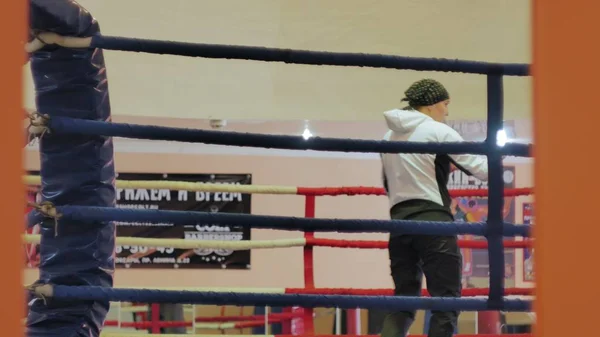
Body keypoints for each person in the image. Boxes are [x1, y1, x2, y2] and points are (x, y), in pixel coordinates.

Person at [379, 79, 489, 337]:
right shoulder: (438, 131)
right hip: (434, 224)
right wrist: (500, 155)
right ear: (430, 105)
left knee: (403, 301)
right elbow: (483, 171)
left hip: (399, 224)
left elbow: (388, 184)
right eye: (445, 104)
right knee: (446, 300)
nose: (447, 111)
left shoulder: (387, 136)